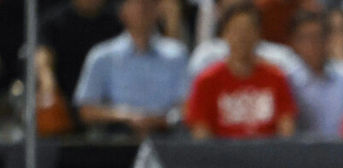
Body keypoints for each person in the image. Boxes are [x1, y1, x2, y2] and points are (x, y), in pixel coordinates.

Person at [73, 0, 190, 138]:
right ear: (122, 12)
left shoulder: (177, 55)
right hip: (117, 137)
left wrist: (162, 120)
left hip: (165, 136)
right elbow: (86, 110)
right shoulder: (102, 56)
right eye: (136, 3)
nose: (142, 9)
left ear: (158, 10)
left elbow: (186, 104)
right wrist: (127, 116)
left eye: (148, 4)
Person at [186, 1, 298, 138]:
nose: (242, 37)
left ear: (258, 34)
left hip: (269, 155)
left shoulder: (276, 77)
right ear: (224, 34)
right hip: (223, 156)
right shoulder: (207, 80)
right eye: (236, 30)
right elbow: (201, 135)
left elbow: (287, 129)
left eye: (248, 30)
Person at [288, 9, 343, 137]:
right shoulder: (289, 80)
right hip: (302, 153)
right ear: (295, 43)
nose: (313, 44)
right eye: (306, 38)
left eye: (318, 37)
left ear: (328, 39)